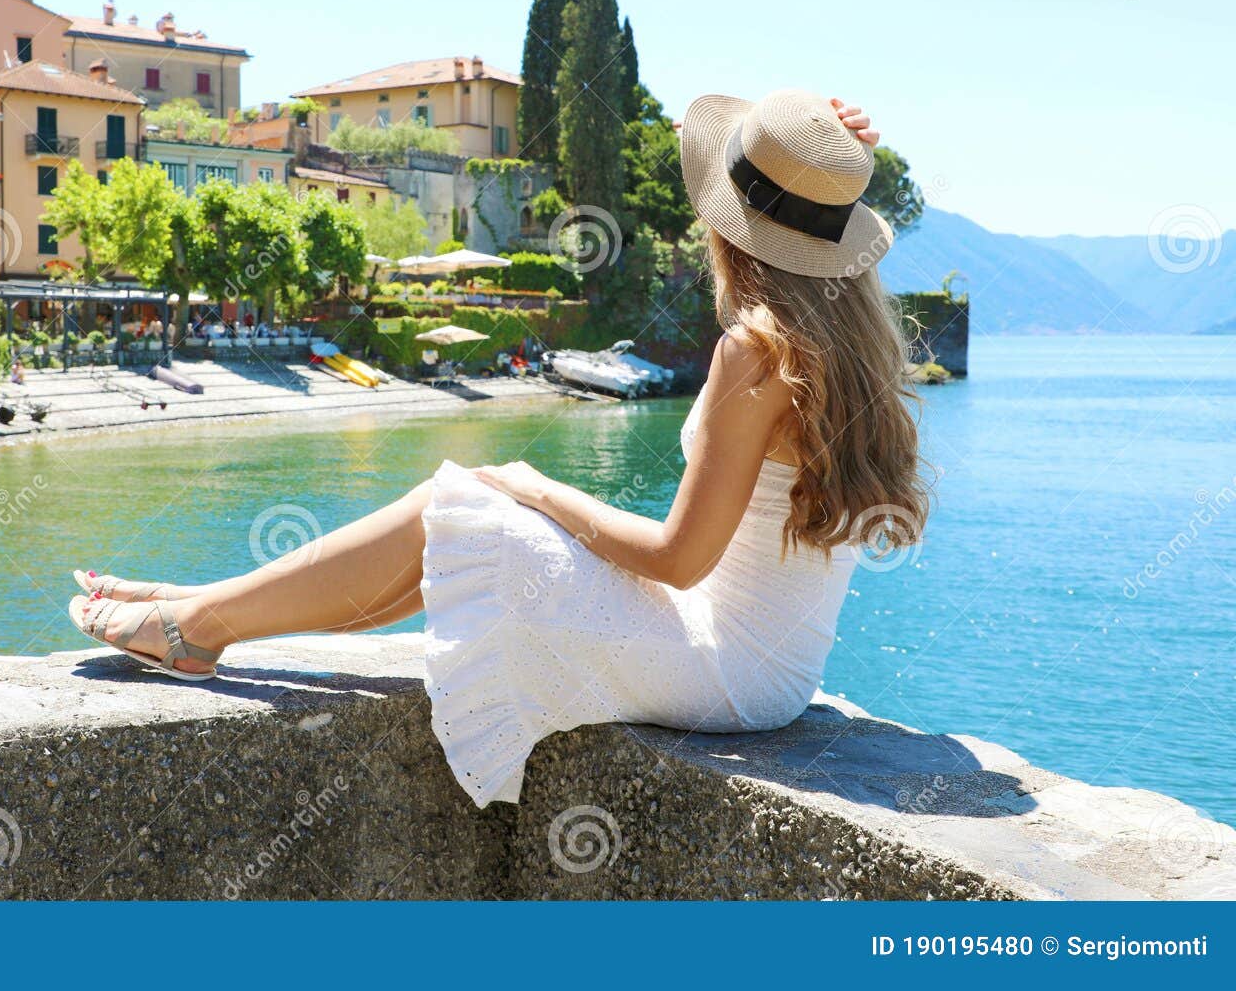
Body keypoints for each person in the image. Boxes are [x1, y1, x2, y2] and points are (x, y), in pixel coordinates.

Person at [67, 93, 928, 808]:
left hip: (723, 671)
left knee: (460, 503)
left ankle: (195, 627)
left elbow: (678, 560)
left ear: (727, 227)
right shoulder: (843, 344)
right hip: (772, 676)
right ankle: (203, 606)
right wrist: (820, 156)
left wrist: (541, 487)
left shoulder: (756, 349)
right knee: (458, 522)